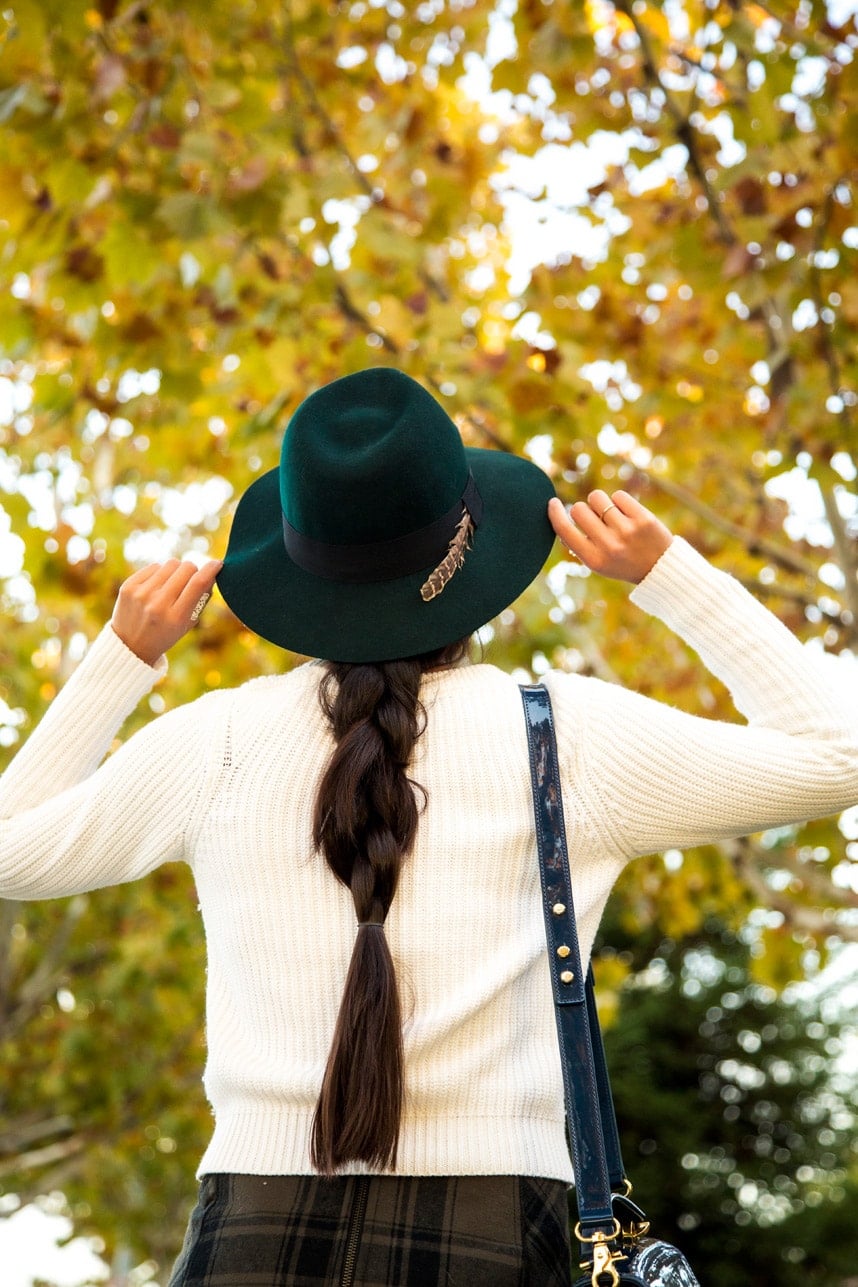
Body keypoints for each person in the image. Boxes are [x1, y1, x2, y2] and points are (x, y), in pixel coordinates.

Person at [0, 366, 856, 1287]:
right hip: (493, 1227)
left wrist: (122, 659)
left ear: (300, 567)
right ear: (475, 546)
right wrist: (672, 579)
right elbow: (840, 753)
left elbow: (12, 851)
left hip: (247, 1233)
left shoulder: (218, 740)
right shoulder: (565, 736)